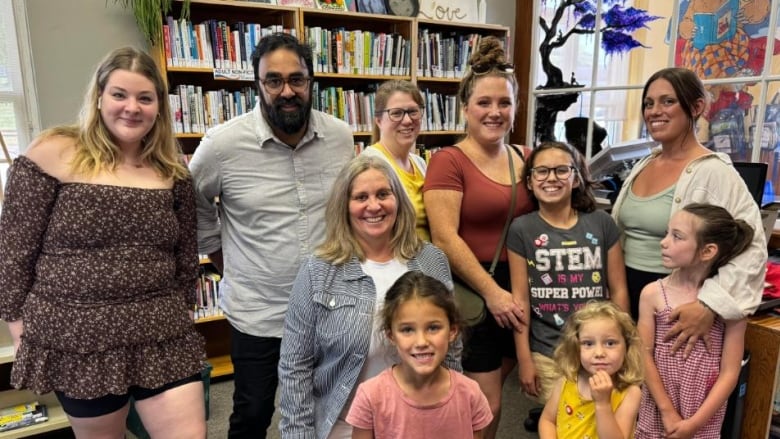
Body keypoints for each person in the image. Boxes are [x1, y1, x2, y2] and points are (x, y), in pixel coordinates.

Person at [0, 47, 206, 438]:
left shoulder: (171, 170)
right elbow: (13, 252)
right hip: (77, 336)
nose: (132, 107)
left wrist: (182, 311)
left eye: (145, 98)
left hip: (159, 332)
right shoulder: (52, 152)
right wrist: (18, 327)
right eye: (119, 94)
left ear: (159, 107)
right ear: (99, 97)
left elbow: (184, 256)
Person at [188, 32, 354, 438]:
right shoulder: (221, 146)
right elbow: (192, 209)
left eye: (297, 79)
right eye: (273, 81)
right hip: (258, 313)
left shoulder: (341, 137)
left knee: (327, 408)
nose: (287, 91)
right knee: (252, 412)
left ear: (312, 81)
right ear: (257, 85)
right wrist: (225, 262)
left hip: (326, 308)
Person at [278, 155, 461, 439]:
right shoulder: (318, 271)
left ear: (398, 199)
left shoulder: (431, 260)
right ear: (344, 207)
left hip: (418, 423)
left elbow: (451, 349)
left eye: (383, 194)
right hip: (343, 426)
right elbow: (295, 366)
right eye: (361, 197)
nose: (374, 206)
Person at [423, 35, 533, 438]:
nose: (494, 112)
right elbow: (445, 238)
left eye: (504, 103)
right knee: (486, 403)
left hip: (521, 290)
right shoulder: (447, 161)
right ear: (465, 108)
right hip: (476, 292)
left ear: (516, 108)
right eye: (484, 103)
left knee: (497, 387)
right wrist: (493, 293)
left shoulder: (527, 156)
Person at [611, 67, 766, 350]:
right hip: (626, 302)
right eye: (649, 103)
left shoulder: (714, 172)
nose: (654, 111)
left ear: (696, 107)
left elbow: (752, 246)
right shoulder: (643, 165)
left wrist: (709, 305)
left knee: (665, 391)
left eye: (668, 101)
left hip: (676, 308)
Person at [507, 141, 630, 427]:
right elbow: (520, 299)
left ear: (576, 178)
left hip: (599, 347)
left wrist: (622, 344)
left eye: (562, 170)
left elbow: (619, 290)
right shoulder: (522, 229)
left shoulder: (601, 223)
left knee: (601, 422)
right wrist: (524, 358)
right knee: (566, 424)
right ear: (530, 181)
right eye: (542, 171)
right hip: (548, 349)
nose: (551, 178)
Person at [636, 203, 753, 438]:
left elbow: (730, 372)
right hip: (657, 408)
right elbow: (642, 353)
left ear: (707, 251)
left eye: (677, 236)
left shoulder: (729, 304)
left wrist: (695, 425)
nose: (664, 241)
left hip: (703, 416)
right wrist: (667, 410)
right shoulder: (652, 294)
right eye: (666, 233)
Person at [346, 271, 492, 438]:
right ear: (391, 335)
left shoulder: (470, 394)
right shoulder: (371, 396)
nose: (421, 342)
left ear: (452, 331)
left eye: (433, 328)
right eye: (407, 330)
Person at [539, 301, 643, 439]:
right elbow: (547, 421)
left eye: (610, 343)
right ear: (575, 346)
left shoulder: (629, 392)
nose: (599, 353)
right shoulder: (567, 381)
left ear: (627, 347)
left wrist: (602, 404)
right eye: (588, 343)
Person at [360, 79, 430, 241]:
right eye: (396, 113)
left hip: (426, 262)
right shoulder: (370, 164)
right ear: (379, 121)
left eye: (413, 111)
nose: (407, 120)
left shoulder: (419, 163)